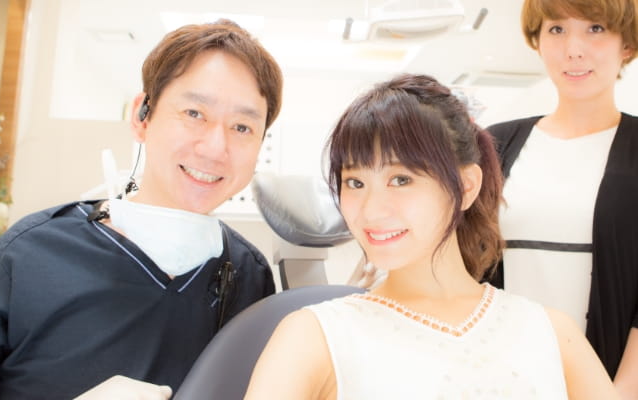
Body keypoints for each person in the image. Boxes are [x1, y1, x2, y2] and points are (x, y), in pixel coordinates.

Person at [0, 19, 282, 399]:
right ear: (142, 116)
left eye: (242, 127)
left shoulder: (251, 277)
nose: (216, 148)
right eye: (194, 113)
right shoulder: (29, 255)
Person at [243, 73, 618, 399]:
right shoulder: (313, 336)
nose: (371, 210)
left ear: (466, 186)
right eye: (355, 182)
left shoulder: (551, 333)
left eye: (400, 179)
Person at [484, 0, 638, 396]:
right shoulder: (494, 144)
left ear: (627, 44)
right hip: (505, 377)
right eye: (557, 30)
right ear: (538, 41)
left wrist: (619, 393)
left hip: (611, 382)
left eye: (595, 29)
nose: (573, 49)